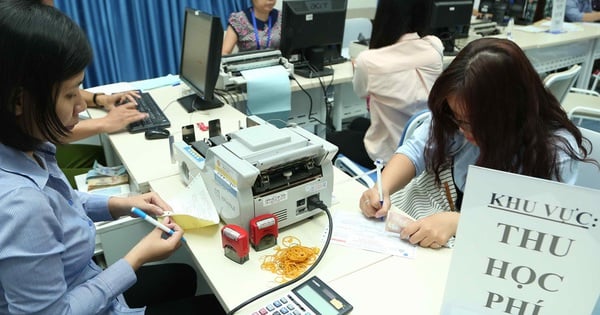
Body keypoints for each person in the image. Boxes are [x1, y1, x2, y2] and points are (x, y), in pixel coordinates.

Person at [0, 2, 224, 314]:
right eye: (70, 94)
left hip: (82, 279)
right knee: (216, 305)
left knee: (183, 276)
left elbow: (62, 205)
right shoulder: (20, 205)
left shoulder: (28, 147)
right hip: (83, 301)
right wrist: (137, 257)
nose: (81, 105)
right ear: (19, 100)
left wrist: (119, 204)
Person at [359, 37, 595, 249]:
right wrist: (383, 188)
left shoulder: (554, 151)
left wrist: (461, 222)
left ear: (511, 111)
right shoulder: (455, 117)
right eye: (457, 118)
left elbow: (541, 227)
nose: (463, 130)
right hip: (421, 227)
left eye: (474, 123)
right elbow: (415, 151)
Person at [327, 0, 443, 168]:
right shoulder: (434, 47)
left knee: (329, 139)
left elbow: (360, 92)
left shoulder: (368, 60)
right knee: (357, 123)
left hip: (389, 156)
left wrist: (360, 67)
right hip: (424, 146)